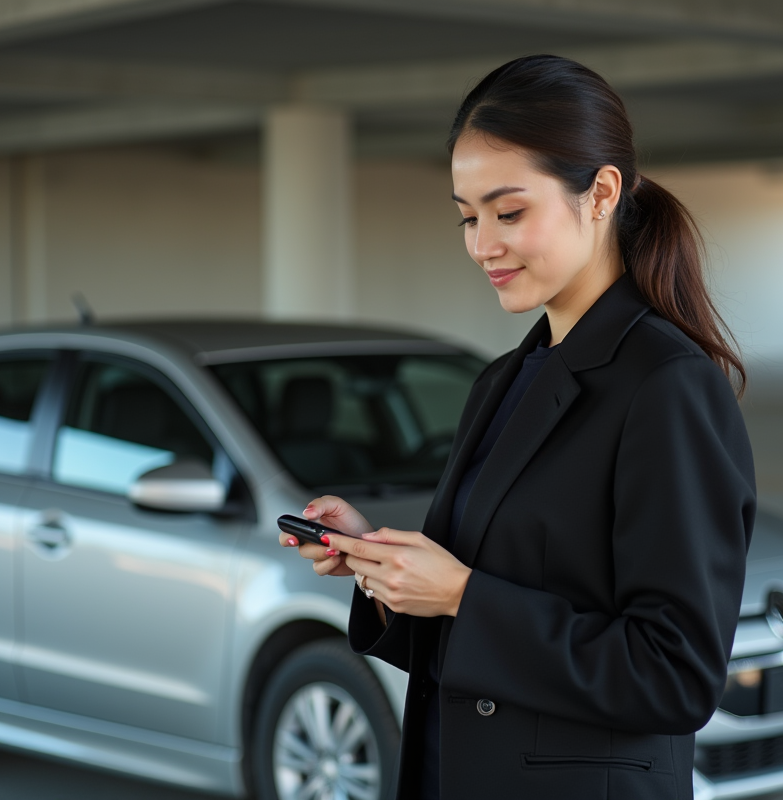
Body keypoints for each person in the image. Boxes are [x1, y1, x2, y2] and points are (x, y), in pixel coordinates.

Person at [279, 54, 755, 800]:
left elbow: (676, 675)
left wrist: (465, 595)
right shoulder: (505, 378)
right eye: (468, 217)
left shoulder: (666, 384)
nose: (482, 245)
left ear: (600, 193)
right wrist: (386, 572)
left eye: (508, 212)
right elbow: (483, 604)